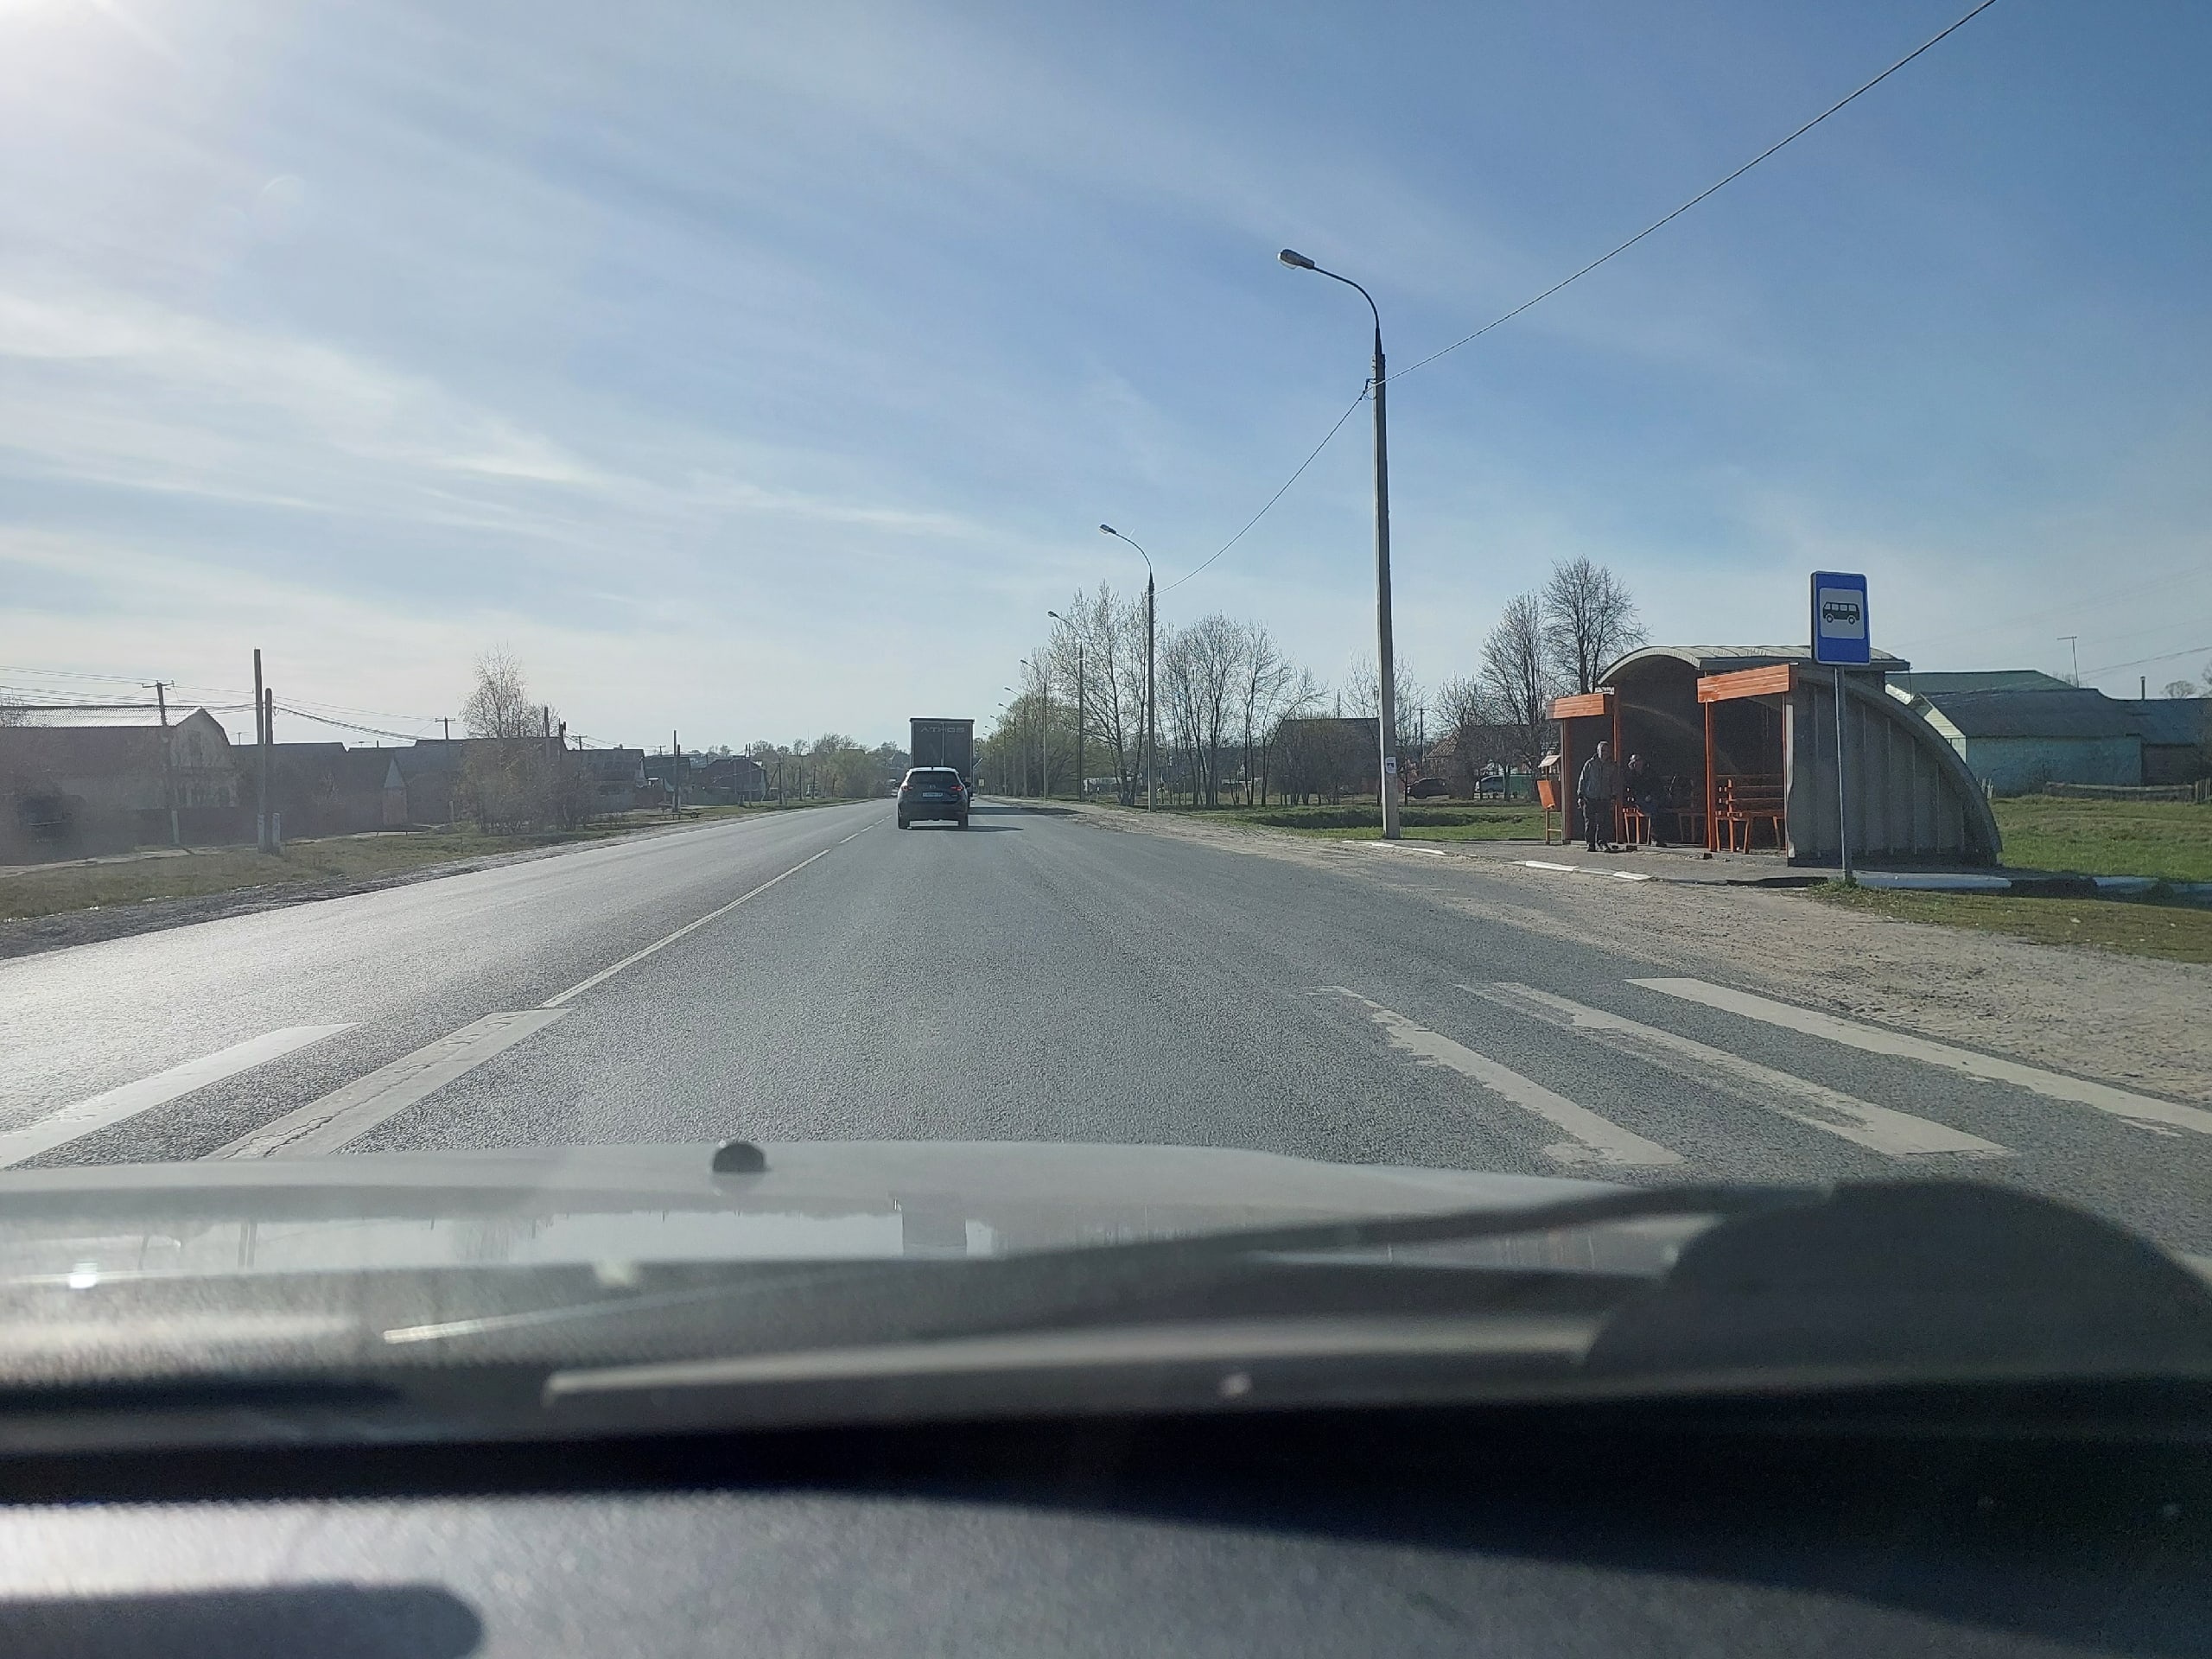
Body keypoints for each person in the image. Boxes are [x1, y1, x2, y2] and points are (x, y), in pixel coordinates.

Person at [1576, 741, 1618, 853]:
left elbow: (1614, 782)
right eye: (1602, 750)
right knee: (1590, 822)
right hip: (1590, 797)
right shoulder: (1590, 764)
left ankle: (1602, 843)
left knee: (1603, 822)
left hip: (1604, 797)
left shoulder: (1612, 766)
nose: (1604, 753)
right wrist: (1580, 795)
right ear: (1597, 751)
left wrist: (1613, 797)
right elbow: (1582, 779)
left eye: (1607, 751)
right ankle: (1590, 844)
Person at [1626, 753, 1665, 846]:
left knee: (1657, 808)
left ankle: (1656, 836)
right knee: (1654, 809)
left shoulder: (1649, 773)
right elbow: (1629, 789)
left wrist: (1651, 795)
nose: (1637, 763)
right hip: (1637, 800)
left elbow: (1657, 786)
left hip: (1651, 798)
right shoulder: (1630, 775)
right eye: (1635, 761)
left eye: (1639, 760)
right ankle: (1654, 837)